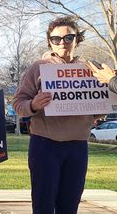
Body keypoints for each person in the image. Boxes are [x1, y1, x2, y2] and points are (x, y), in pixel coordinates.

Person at [13, 16, 101, 214]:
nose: (63, 43)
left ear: (77, 39)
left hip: (77, 146)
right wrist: (33, 105)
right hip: (45, 145)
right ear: (49, 41)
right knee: (43, 205)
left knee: (70, 205)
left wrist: (103, 104)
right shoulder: (38, 68)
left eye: (69, 38)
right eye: (56, 39)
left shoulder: (90, 70)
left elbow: (99, 108)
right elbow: (18, 104)